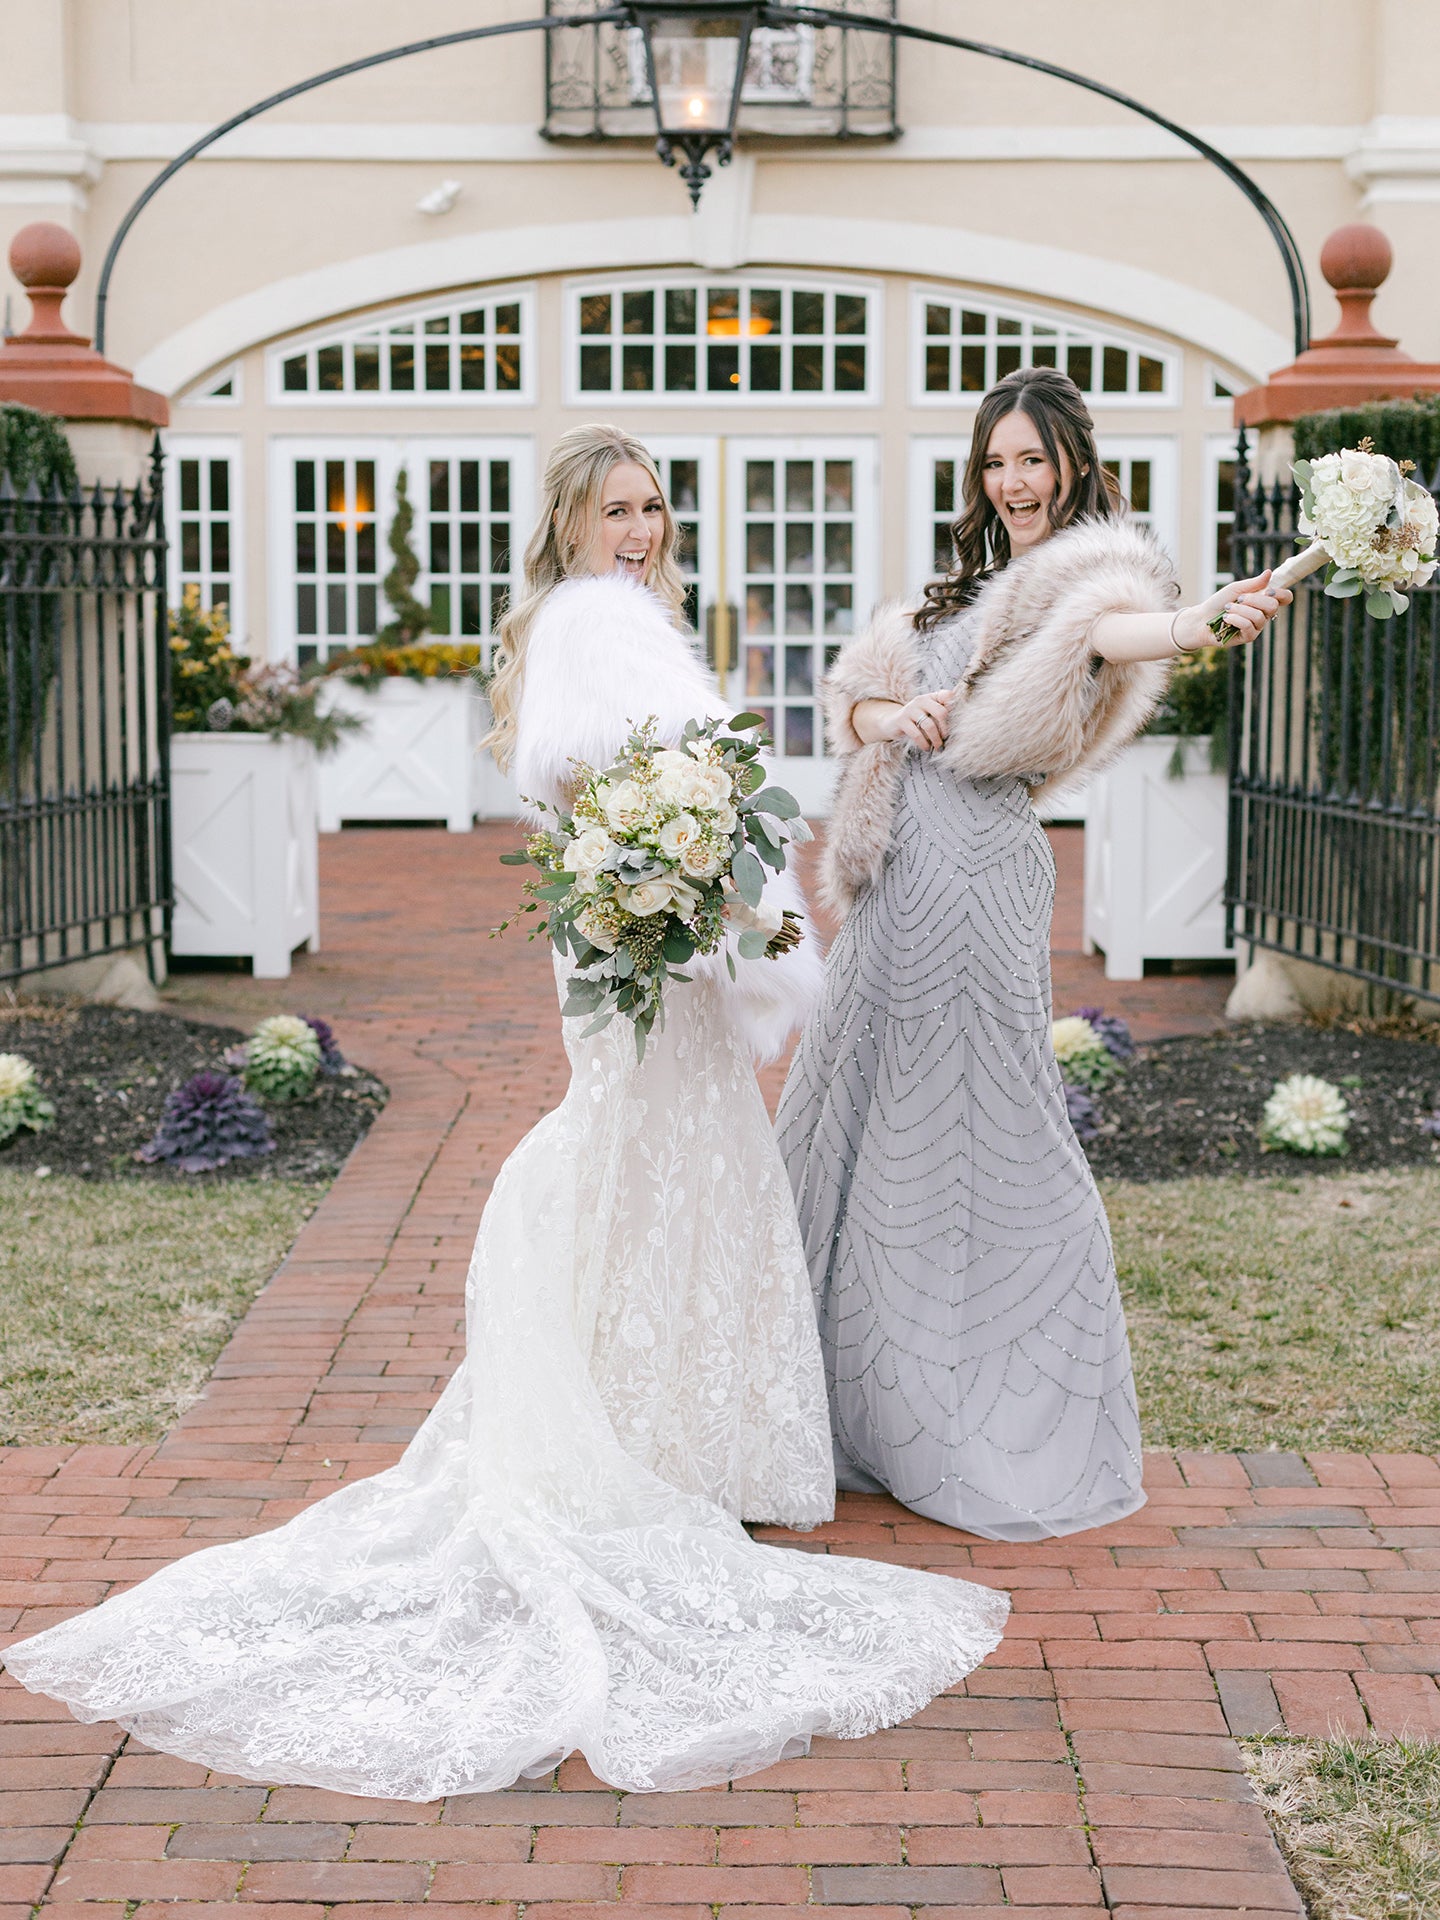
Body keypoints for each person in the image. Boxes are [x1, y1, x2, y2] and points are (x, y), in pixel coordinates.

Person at [5, 425, 1007, 1800]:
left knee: (686, 1147)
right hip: (634, 923)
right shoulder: (593, 624)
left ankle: (670, 1432)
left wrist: (704, 887)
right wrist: (687, 896)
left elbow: (659, 786)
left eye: (653, 508)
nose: (641, 531)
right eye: (616, 510)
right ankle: (640, 1431)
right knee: (636, 1145)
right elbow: (604, 791)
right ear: (572, 523)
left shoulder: (621, 618)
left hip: (655, 916)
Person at [777, 367, 1289, 1543]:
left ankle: (971, 1400)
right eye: (997, 461)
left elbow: (1135, 632)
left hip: (979, 875)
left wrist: (1209, 620)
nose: (1013, 481)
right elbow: (850, 698)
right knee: (847, 1110)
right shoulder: (956, 587)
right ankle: (842, 1394)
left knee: (974, 1127)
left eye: (1033, 460)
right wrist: (888, 720)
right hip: (894, 873)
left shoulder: (1090, 582)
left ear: (1071, 465)